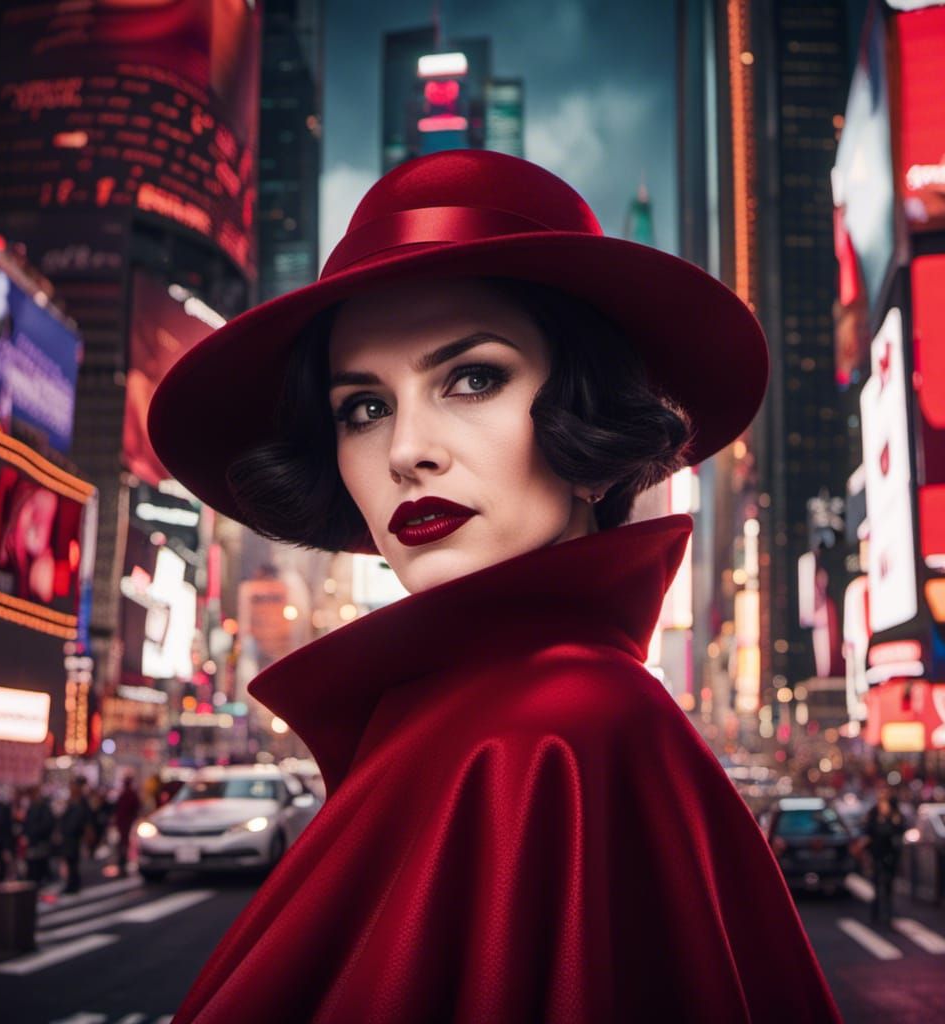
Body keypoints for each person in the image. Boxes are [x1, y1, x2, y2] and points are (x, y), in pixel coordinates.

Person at [148, 151, 840, 1022]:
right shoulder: (443, 713)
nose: (406, 451)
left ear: (588, 422)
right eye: (363, 407)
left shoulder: (563, 726)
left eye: (473, 377)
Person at [861, 792, 906, 926]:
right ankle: (875, 915)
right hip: (877, 856)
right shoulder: (873, 817)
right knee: (876, 887)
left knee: (888, 887)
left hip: (890, 856)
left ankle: (888, 916)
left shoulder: (896, 818)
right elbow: (868, 833)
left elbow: (899, 832)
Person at [59, 777, 93, 894]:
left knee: (73, 860)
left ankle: (74, 884)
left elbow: (86, 819)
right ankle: (72, 883)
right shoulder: (73, 801)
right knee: (70, 860)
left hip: (75, 836)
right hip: (69, 835)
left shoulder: (81, 801)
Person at [22, 785, 56, 886]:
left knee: (40, 865)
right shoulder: (32, 807)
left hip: (40, 842)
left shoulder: (43, 807)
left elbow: (47, 824)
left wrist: (34, 832)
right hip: (33, 842)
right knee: (34, 866)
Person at [113, 776, 140, 872]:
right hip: (125, 822)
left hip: (125, 822)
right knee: (124, 841)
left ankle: (123, 859)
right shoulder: (129, 794)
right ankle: (122, 859)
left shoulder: (127, 794)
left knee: (124, 842)